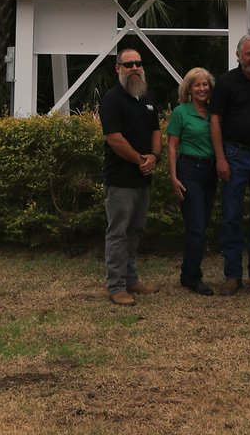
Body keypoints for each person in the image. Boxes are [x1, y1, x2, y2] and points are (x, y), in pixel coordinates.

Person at [209, 35, 250, 296]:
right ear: (238, 56)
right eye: (248, 54)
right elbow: (215, 121)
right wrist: (221, 158)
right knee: (231, 217)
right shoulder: (226, 82)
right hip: (234, 155)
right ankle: (232, 275)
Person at [98, 48, 162, 306]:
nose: (134, 68)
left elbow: (155, 129)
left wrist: (154, 157)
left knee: (135, 230)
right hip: (120, 180)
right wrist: (140, 160)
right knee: (118, 232)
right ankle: (116, 286)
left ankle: (131, 279)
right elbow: (114, 139)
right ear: (118, 69)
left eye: (138, 64)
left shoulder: (146, 97)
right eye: (128, 64)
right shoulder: (112, 100)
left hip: (143, 177)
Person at [167, 67, 217, 295]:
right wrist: (174, 177)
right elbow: (172, 145)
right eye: (197, 85)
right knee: (196, 226)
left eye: (205, 84)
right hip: (189, 171)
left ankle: (186, 274)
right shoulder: (181, 112)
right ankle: (195, 278)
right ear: (189, 88)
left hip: (210, 172)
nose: (202, 88)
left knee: (201, 224)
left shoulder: (213, 112)